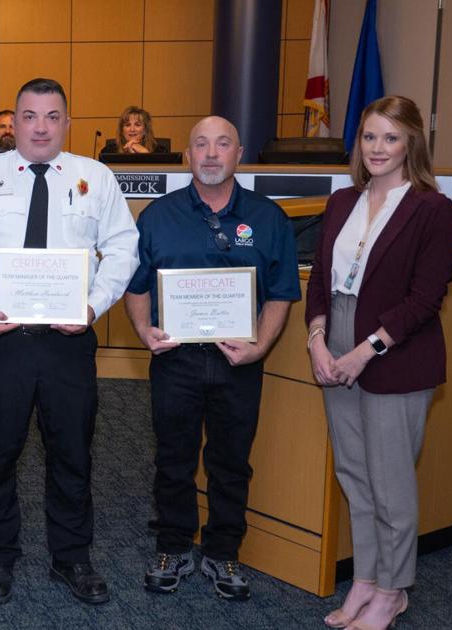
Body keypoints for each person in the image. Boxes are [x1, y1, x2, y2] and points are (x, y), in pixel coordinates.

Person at [0, 78, 139, 606]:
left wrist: (92, 306)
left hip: (67, 341)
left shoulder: (95, 178)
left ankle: (72, 556)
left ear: (67, 123)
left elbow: (123, 249)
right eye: (30, 116)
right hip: (0, 339)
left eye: (52, 116)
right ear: (13, 122)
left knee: (72, 452)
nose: (40, 127)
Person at [124, 116, 300, 601]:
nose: (211, 153)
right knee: (173, 458)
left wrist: (259, 347)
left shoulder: (268, 218)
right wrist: (143, 330)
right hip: (175, 361)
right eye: (200, 144)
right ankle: (173, 546)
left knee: (231, 462)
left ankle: (223, 551)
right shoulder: (158, 216)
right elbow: (136, 286)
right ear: (187, 156)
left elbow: (281, 292)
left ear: (238, 154)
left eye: (222, 144)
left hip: (239, 362)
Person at [306, 96, 452, 630]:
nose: (377, 148)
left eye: (391, 138)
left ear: (411, 143)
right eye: (369, 136)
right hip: (335, 341)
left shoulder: (431, 208)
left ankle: (393, 590)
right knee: (353, 473)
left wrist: (365, 350)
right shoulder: (341, 201)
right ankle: (366, 580)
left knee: (390, 481)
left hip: (393, 351)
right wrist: (317, 338)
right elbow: (320, 279)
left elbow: (426, 297)